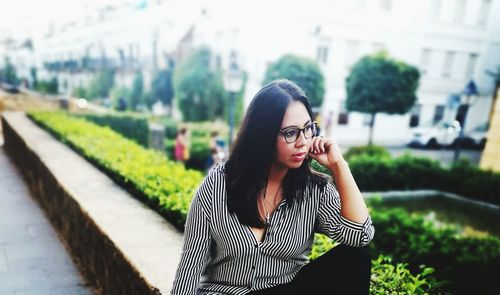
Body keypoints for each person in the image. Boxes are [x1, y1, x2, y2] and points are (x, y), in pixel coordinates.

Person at [171, 79, 375, 295]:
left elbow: (361, 235)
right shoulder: (217, 186)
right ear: (263, 135)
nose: (302, 141)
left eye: (307, 129)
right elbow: (190, 265)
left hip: (285, 290)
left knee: (356, 258)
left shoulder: (315, 190)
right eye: (290, 133)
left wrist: (338, 165)